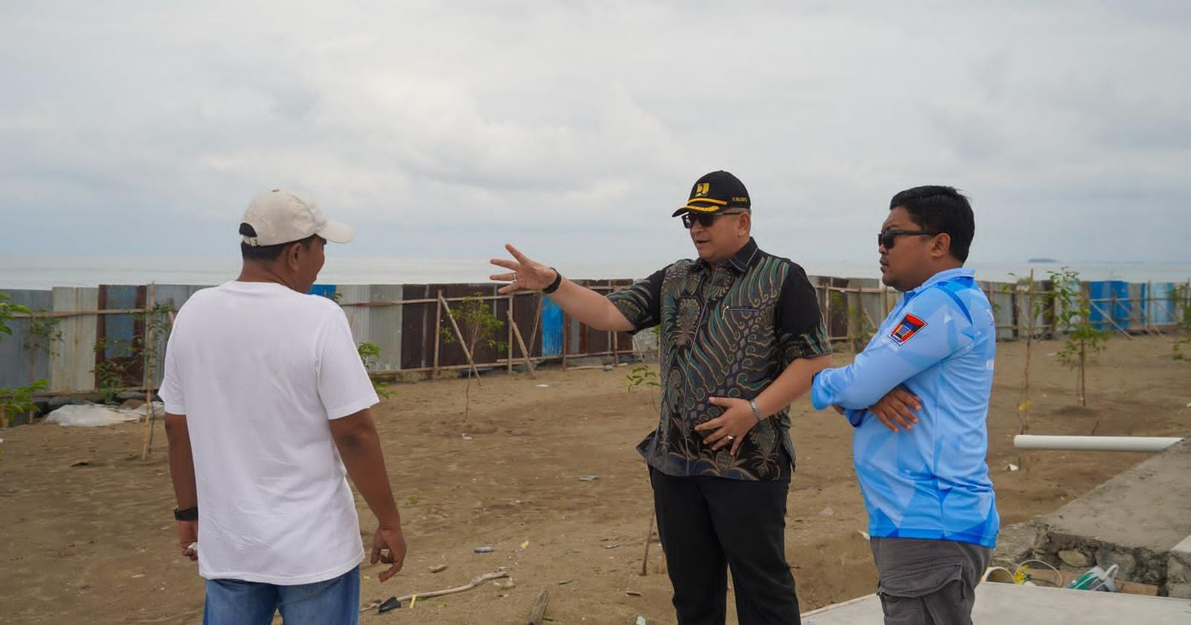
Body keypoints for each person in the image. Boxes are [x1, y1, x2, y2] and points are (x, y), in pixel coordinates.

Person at [490, 171, 831, 624]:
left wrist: (753, 411)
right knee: (692, 597)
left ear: (743, 222)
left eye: (708, 218)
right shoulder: (674, 278)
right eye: (690, 219)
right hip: (675, 466)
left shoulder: (782, 278)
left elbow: (812, 361)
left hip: (750, 464)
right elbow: (610, 313)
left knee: (763, 592)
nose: (697, 229)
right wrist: (553, 283)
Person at [161, 189, 406, 625]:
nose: (323, 259)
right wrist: (388, 520)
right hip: (316, 551)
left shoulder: (194, 313)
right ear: (295, 254)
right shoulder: (319, 318)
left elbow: (177, 429)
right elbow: (354, 432)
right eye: (321, 247)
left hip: (232, 546)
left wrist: (188, 512)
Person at [810, 185, 998, 625]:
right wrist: (862, 397)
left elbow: (856, 384)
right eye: (879, 237)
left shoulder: (941, 305)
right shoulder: (931, 302)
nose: (881, 247)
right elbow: (863, 391)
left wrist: (823, 382)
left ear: (939, 243)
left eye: (892, 236)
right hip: (920, 522)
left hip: (929, 523)